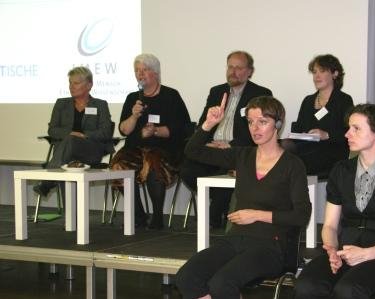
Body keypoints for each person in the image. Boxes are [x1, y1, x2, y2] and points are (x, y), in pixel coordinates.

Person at [176, 95, 311, 299]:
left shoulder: (292, 165)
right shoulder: (242, 156)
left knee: (222, 282)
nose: (255, 128)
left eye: (262, 122)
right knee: (187, 276)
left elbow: (301, 215)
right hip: (236, 239)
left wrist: (257, 215)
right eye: (250, 122)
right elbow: (192, 151)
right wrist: (208, 124)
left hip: (271, 245)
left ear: (278, 125)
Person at [294, 103, 375, 299]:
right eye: (348, 128)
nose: (347, 134)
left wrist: (366, 254)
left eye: (356, 128)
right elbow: (329, 226)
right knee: (306, 284)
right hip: (346, 251)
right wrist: (331, 251)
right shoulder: (341, 170)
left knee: (348, 290)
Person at [180, 50, 273, 228]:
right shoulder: (217, 91)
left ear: (249, 71)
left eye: (239, 68)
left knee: (226, 170)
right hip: (212, 147)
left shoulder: (260, 93)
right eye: (230, 67)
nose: (233, 71)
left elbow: (258, 129)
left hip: (236, 149)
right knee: (188, 169)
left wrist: (229, 144)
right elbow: (203, 123)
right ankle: (219, 206)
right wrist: (206, 141)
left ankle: (215, 214)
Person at [111, 53, 190, 230]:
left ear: (155, 72)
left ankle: (157, 216)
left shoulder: (170, 95)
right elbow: (123, 130)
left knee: (152, 160)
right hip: (136, 148)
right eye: (137, 70)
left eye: (144, 70)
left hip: (164, 149)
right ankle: (138, 214)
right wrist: (134, 115)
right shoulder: (133, 98)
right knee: (118, 164)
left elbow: (182, 128)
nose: (140, 74)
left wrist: (156, 131)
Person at [33, 66, 114, 196]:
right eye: (70, 83)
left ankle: (47, 182)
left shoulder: (100, 105)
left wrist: (83, 135)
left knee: (70, 144)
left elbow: (106, 132)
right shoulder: (61, 104)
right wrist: (70, 134)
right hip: (66, 155)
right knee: (66, 161)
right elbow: (52, 130)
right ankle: (70, 215)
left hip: (89, 152)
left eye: (76, 83)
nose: (71, 86)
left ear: (89, 85)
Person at [281, 54, 353, 175]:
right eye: (314, 72)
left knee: (288, 153)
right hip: (306, 148)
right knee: (280, 144)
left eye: (322, 71)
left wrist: (326, 134)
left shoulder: (343, 100)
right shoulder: (308, 100)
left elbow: (348, 132)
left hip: (331, 150)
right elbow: (298, 127)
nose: (316, 76)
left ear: (335, 74)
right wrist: (300, 135)